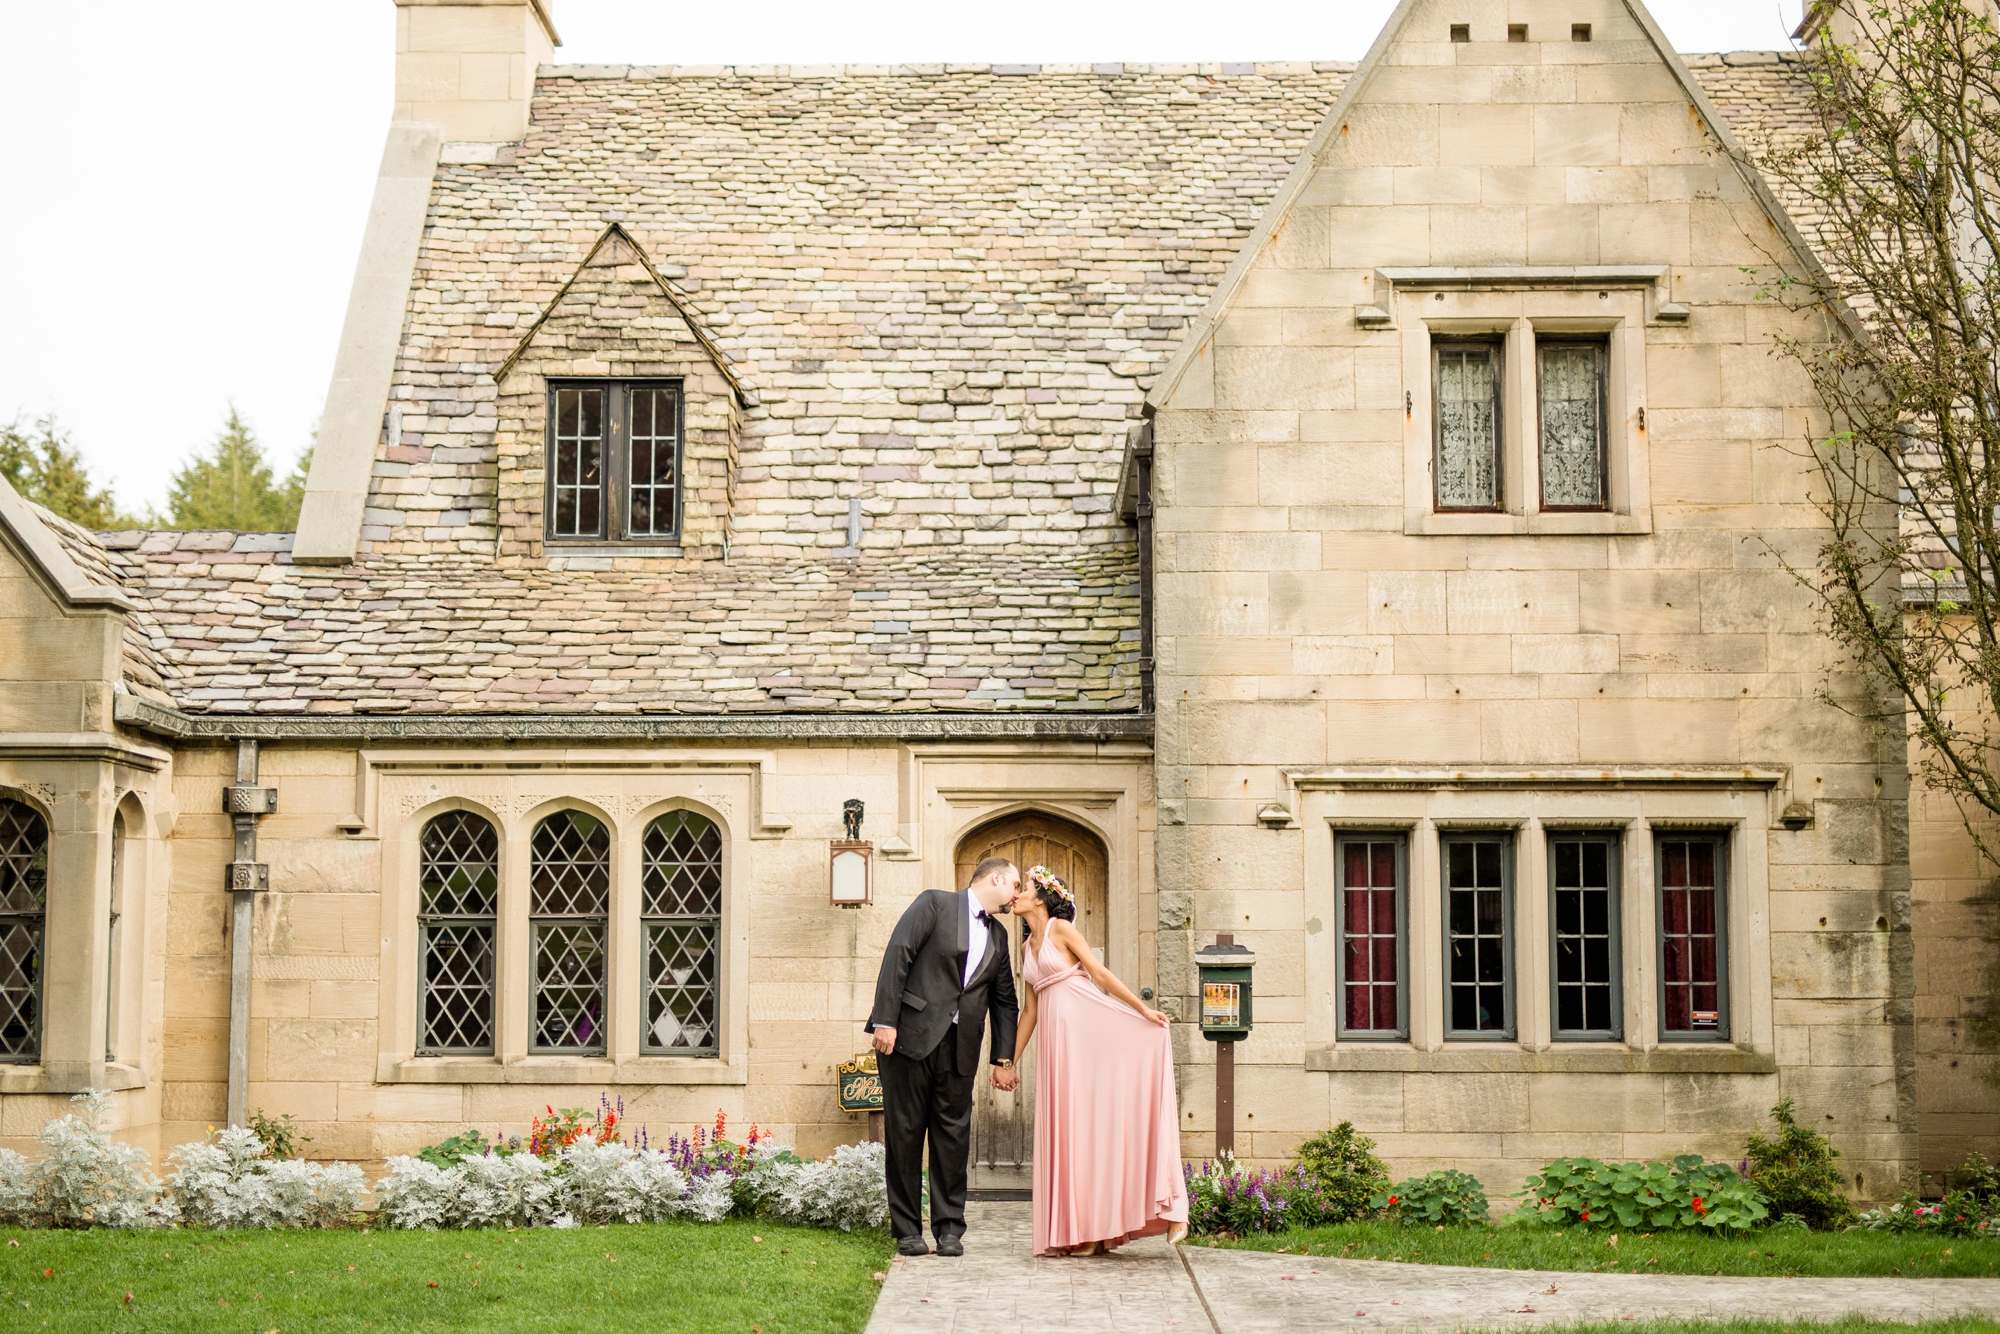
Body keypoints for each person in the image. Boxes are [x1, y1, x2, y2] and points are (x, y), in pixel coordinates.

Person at [1007, 865, 1189, 1256]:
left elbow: (1100, 975)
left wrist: (1143, 1011)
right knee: (1073, 1132)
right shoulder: (1025, 948)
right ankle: (1084, 1231)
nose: (1016, 894)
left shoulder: (1061, 930)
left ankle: (1168, 1208)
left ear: (1041, 897)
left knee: (1095, 1125)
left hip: (1091, 1033)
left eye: (1023, 888)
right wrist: (1008, 1060)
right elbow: (1030, 1012)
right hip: (1058, 1047)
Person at [866, 857, 1021, 1257]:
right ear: (997, 878)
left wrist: (1004, 1058)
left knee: (953, 1139)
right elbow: (898, 954)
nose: (1017, 894)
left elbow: (1005, 1001)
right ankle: (906, 1230)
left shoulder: (999, 937)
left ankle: (949, 1229)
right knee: (905, 1133)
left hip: (960, 1049)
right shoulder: (934, 903)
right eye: (1015, 885)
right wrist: (885, 1019)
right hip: (908, 1039)